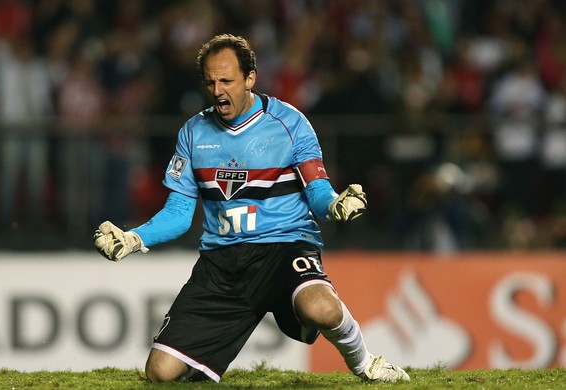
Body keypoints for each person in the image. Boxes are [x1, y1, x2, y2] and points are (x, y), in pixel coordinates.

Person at [94, 34, 409, 383]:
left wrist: (335, 204)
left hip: (285, 247)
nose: (217, 90)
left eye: (227, 80)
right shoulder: (193, 133)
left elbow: (316, 190)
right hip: (223, 263)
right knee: (161, 373)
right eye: (211, 81)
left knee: (320, 306)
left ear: (250, 78)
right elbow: (179, 213)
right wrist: (134, 237)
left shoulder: (290, 123)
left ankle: (366, 364)